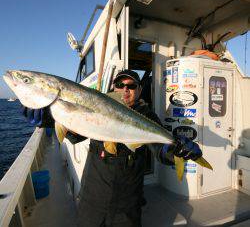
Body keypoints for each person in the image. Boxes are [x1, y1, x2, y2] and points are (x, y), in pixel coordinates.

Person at [23, 69, 202, 227]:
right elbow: (76, 133)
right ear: (113, 88)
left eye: (131, 85)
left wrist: (175, 150)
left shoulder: (147, 116)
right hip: (93, 195)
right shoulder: (100, 104)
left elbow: (159, 148)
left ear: (139, 90)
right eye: (120, 84)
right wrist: (50, 119)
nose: (125, 89)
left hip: (128, 201)